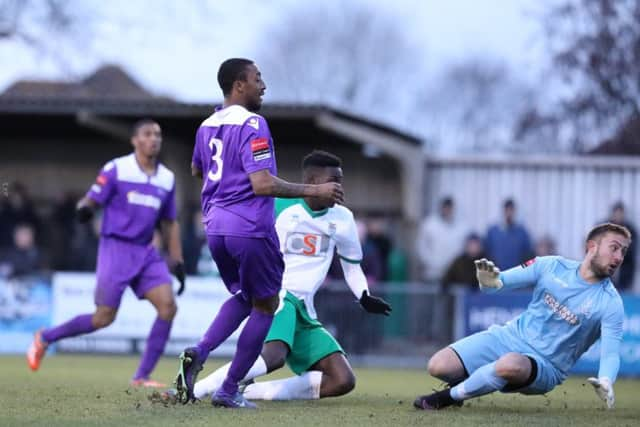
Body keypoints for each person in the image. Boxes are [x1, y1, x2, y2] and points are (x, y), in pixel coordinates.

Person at [174, 58, 344, 409]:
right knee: (267, 305)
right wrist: (315, 191)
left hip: (215, 228)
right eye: (257, 78)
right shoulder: (254, 123)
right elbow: (262, 184)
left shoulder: (207, 124)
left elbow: (196, 170)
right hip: (249, 228)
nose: (263, 85)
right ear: (239, 85)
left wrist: (223, 187)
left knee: (244, 296)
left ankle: (200, 351)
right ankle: (228, 389)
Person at [179, 150, 391, 403]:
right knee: (274, 356)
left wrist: (364, 295)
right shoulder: (277, 206)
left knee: (342, 379)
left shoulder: (343, 218)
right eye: (333, 180)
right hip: (279, 295)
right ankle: (198, 388)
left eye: (341, 181)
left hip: (305, 309)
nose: (339, 187)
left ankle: (246, 391)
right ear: (312, 182)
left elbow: (351, 265)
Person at [26, 119, 186, 387]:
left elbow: (170, 222)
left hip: (146, 252)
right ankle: (45, 338)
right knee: (103, 318)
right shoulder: (117, 169)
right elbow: (91, 199)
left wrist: (177, 259)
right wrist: (85, 209)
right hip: (116, 248)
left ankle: (141, 376)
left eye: (157, 135)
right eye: (147, 134)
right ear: (135, 140)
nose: (154, 139)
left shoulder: (167, 178)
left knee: (168, 307)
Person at [414, 223, 630, 411]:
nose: (619, 257)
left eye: (623, 251)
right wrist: (487, 282)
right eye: (614, 248)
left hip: (546, 365)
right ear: (592, 247)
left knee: (508, 364)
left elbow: (610, 353)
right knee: (438, 365)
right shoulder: (551, 266)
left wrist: (606, 379)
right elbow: (498, 283)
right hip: (508, 337)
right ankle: (473, 384)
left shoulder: (610, 303)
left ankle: (447, 398)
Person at [416, 197, 466, 283]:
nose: (448, 210)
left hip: (453, 274)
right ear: (441, 208)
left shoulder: (460, 227)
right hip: (433, 273)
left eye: (450, 208)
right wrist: (431, 263)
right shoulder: (430, 224)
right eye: (445, 208)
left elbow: (463, 248)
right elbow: (421, 246)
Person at [484, 198, 533, 270]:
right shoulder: (493, 232)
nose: (509, 213)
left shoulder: (522, 233)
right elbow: (487, 252)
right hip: (496, 273)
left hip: (515, 274)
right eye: (507, 210)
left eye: (511, 210)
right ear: (503, 211)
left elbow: (528, 255)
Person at [603, 202, 636, 291]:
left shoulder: (630, 229)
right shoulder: (604, 227)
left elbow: (632, 248)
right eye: (616, 213)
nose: (618, 216)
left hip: (624, 262)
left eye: (620, 213)